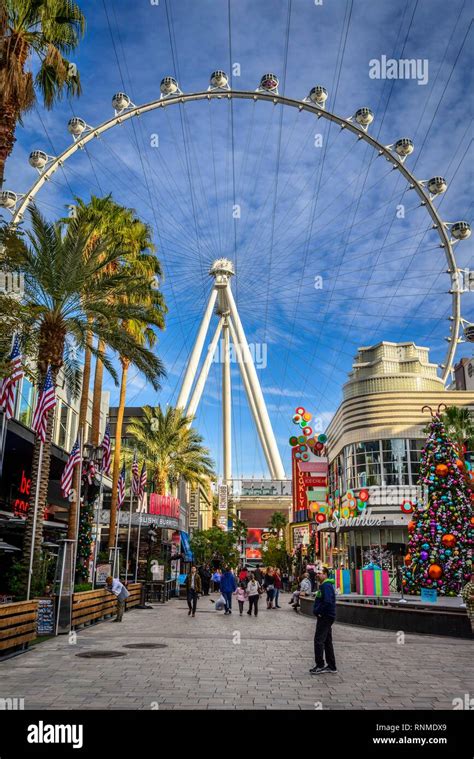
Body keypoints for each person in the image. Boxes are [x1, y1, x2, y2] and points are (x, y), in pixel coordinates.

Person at [310, 567, 337, 675]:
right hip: (327, 616)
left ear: (325, 574)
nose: (317, 575)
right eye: (317, 573)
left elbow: (327, 601)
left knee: (318, 640)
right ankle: (331, 666)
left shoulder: (326, 586)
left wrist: (319, 611)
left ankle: (320, 665)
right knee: (327, 641)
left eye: (320, 573)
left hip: (325, 616)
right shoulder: (325, 585)